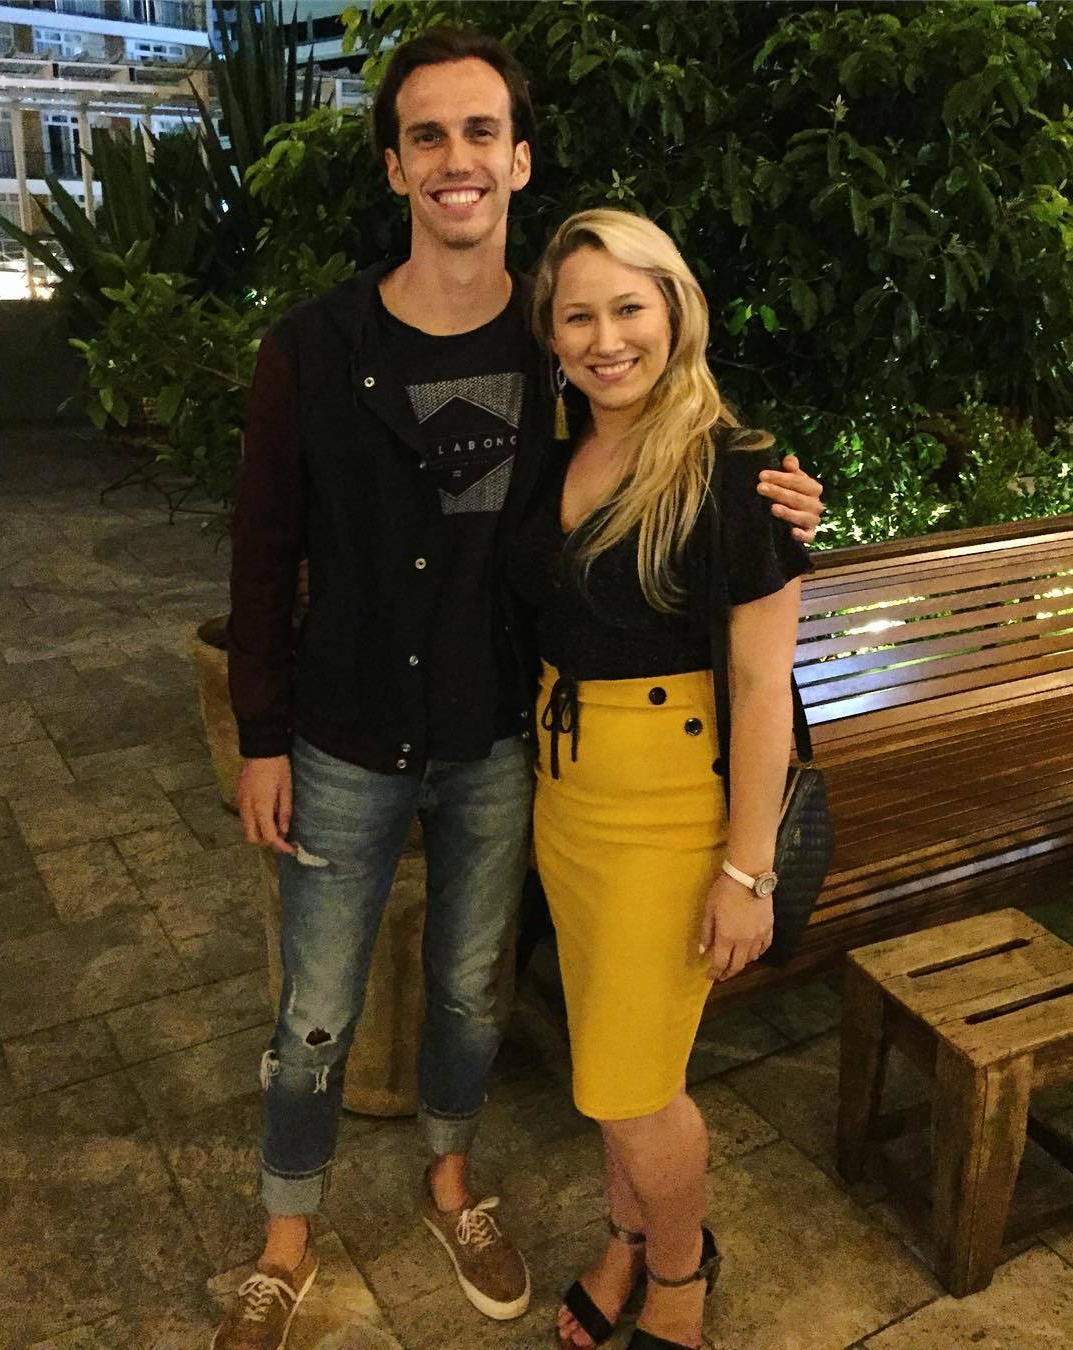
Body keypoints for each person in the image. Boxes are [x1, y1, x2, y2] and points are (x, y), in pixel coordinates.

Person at [216, 26, 825, 1350]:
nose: (457, 157)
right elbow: (260, 557)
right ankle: (285, 1238)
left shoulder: (566, 358)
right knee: (314, 1011)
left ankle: (463, 1185)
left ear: (520, 158)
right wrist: (262, 734)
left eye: (481, 131)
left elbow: (690, 461)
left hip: (506, 743)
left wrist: (771, 496)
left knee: (472, 995)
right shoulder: (315, 348)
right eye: (427, 134)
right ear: (395, 166)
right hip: (353, 738)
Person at [505, 208, 811, 1350]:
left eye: (629, 307)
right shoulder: (557, 455)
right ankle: (627, 1238)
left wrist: (747, 870)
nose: (606, 339)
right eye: (578, 316)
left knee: (629, 1086)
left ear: (676, 311)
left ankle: (681, 1272)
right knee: (610, 1051)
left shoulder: (740, 471)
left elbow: (762, 684)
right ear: (551, 334)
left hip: (673, 816)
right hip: (567, 801)